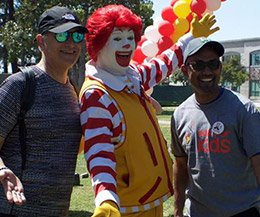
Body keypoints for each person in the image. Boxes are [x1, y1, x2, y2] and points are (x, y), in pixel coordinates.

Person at [80, 4, 219, 217]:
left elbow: (163, 65)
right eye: (117, 38)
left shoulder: (130, 75)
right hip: (126, 207)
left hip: (149, 198)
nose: (126, 44)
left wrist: (191, 36)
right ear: (98, 44)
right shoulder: (96, 94)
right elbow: (99, 152)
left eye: (130, 37)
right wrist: (106, 198)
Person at [0, 5, 88, 217]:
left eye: (76, 36)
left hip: (58, 210)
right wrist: (2, 170)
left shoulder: (73, 89)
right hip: (15, 210)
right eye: (61, 35)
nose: (71, 43)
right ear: (41, 42)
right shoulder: (20, 84)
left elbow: (68, 147)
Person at [171, 37, 260, 217]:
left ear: (220, 68)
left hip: (242, 212)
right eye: (198, 65)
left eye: (213, 64)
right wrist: (178, 210)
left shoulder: (244, 110)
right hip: (196, 212)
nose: (207, 71)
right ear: (184, 69)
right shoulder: (180, 114)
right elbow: (180, 166)